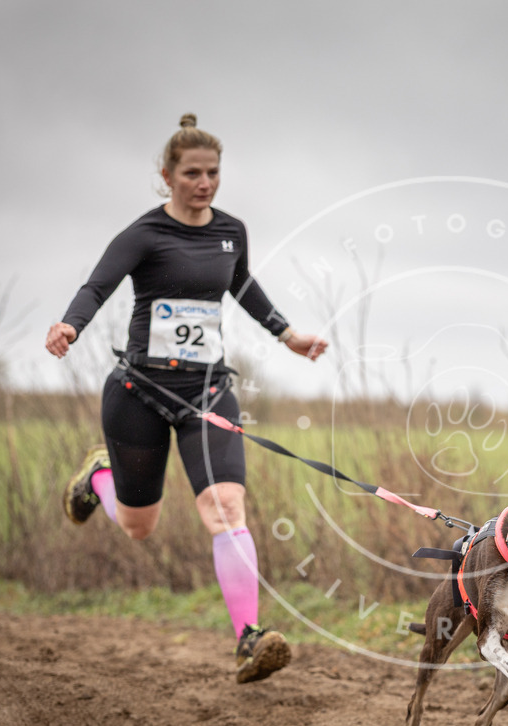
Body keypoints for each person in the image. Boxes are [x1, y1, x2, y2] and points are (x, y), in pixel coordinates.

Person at [45, 113, 328, 684]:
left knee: (226, 510)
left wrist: (287, 334)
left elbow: (243, 285)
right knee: (137, 526)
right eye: (193, 173)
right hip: (140, 392)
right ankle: (98, 478)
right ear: (168, 175)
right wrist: (70, 325)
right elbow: (98, 285)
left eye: (213, 173)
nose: (205, 183)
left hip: (207, 393)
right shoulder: (144, 234)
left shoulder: (231, 230)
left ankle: (249, 638)